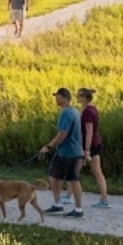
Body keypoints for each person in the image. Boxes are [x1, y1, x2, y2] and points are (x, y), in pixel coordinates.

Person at [39, 87, 83, 218]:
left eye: (57, 97)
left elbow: (62, 134)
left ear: (65, 98)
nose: (55, 99)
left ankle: (58, 205)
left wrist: (48, 146)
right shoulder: (75, 111)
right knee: (74, 180)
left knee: (54, 176)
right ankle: (78, 209)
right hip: (75, 151)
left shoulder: (66, 113)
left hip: (66, 152)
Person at [77, 88, 110, 209]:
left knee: (95, 171)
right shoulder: (90, 109)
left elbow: (89, 131)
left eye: (79, 96)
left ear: (85, 98)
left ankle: (104, 199)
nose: (77, 97)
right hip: (93, 143)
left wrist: (87, 149)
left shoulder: (88, 112)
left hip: (91, 144)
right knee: (80, 169)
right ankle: (69, 196)